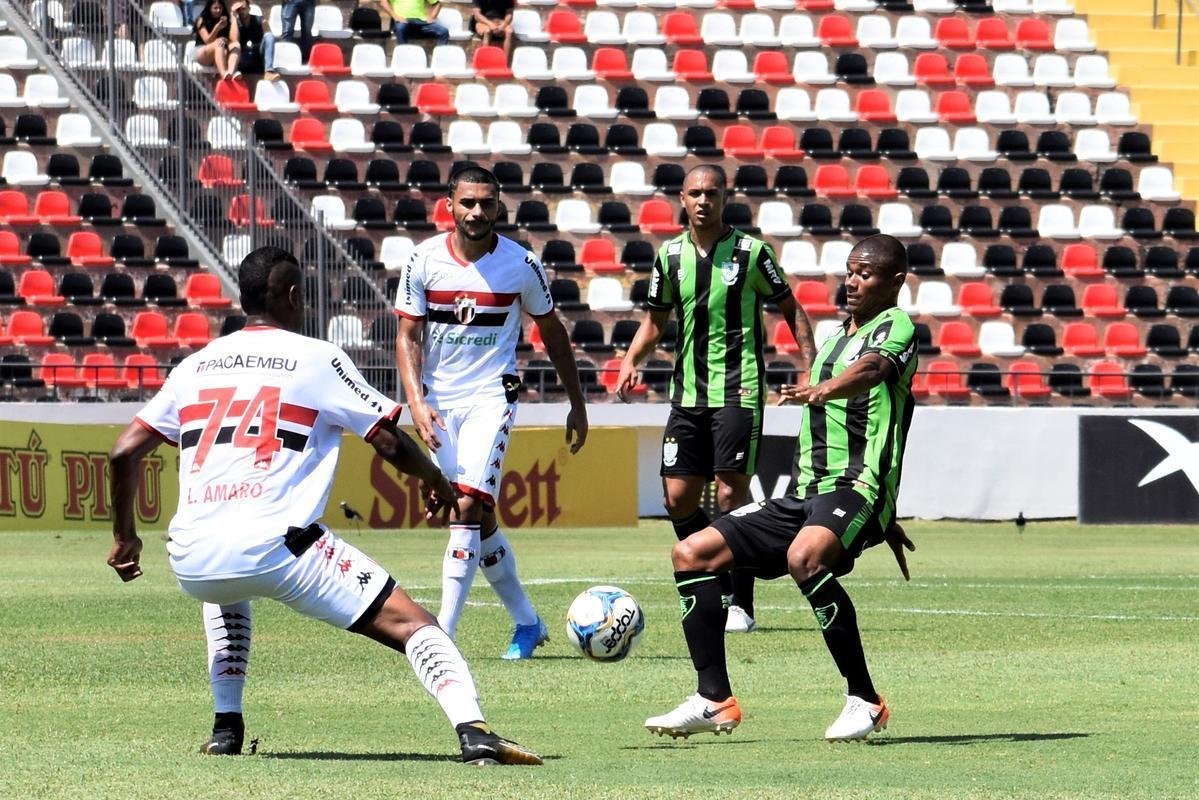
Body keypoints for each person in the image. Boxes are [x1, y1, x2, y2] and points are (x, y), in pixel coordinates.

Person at [105, 246, 542, 766]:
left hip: (193, 557)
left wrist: (124, 537)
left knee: (226, 582)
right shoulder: (316, 357)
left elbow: (123, 452)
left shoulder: (194, 366)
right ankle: (474, 732)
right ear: (293, 297)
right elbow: (388, 442)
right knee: (415, 626)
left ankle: (226, 727)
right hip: (282, 548)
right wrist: (441, 484)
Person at [643, 234, 919, 743]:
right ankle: (713, 699)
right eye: (849, 271)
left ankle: (865, 699)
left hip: (857, 485)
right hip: (809, 492)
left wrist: (824, 388)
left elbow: (874, 372)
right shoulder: (836, 338)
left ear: (895, 281)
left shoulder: (897, 328)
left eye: (866, 273)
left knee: (804, 557)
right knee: (691, 552)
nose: (852, 281)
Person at [395, 165, 588, 659]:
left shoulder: (521, 264)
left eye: (487, 203)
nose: (477, 212)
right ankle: (527, 622)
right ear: (450, 205)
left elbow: (555, 335)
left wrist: (577, 402)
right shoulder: (421, 261)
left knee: (464, 506)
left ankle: (442, 636)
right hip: (438, 404)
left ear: (499, 206)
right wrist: (415, 402)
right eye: (468, 203)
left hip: (490, 397)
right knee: (476, 517)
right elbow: (408, 336)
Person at [616, 164, 816, 634]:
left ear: (725, 197)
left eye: (712, 193)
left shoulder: (751, 253)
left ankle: (738, 602)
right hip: (687, 394)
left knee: (730, 494)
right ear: (681, 200)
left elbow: (791, 306)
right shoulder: (668, 257)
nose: (703, 201)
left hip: (739, 392)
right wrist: (631, 359)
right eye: (694, 193)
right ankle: (710, 563)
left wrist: (810, 365)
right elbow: (655, 320)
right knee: (677, 497)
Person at [261, 0, 316, 78]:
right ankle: (283, 60)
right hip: (290, 2)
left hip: (308, 2)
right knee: (287, 31)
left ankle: (306, 60)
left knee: (307, 32)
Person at [192, 0, 235, 80]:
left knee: (224, 49)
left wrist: (225, 40)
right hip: (202, 50)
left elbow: (231, 40)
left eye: (220, 8)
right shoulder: (201, 20)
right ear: (209, 8)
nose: (218, 10)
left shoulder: (226, 22)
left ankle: (223, 77)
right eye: (215, 8)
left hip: (220, 51)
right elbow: (207, 41)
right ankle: (224, 74)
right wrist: (217, 28)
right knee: (218, 43)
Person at [381, 0, 450, 45]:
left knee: (443, 31)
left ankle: (440, 58)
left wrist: (432, 17)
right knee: (400, 28)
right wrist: (395, 17)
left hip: (421, 21)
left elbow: (437, 4)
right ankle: (403, 57)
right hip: (403, 20)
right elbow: (383, 2)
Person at [229, 1, 265, 76]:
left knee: (269, 37)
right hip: (243, 55)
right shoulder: (235, 23)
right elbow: (234, 40)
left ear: (249, 8)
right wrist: (233, 16)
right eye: (239, 10)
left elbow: (268, 38)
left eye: (244, 8)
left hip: (258, 53)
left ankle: (269, 71)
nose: (241, 11)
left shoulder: (259, 20)